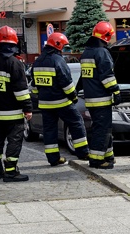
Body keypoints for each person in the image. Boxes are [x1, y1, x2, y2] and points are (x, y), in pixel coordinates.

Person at [0, 26, 31, 182]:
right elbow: (21, 90)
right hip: (13, 112)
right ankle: (10, 172)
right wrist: (28, 109)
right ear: (14, 43)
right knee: (14, 140)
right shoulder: (14, 64)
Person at [33, 32, 89, 165]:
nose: (64, 49)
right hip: (62, 102)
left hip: (45, 104)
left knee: (49, 130)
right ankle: (83, 152)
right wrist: (74, 97)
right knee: (76, 123)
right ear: (57, 45)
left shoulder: (38, 61)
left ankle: (53, 159)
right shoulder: (58, 61)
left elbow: (35, 87)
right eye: (63, 46)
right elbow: (67, 83)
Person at [81, 21, 120, 169]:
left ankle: (108, 156)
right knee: (102, 130)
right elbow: (107, 76)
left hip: (91, 98)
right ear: (107, 36)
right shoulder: (102, 52)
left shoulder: (87, 53)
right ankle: (97, 160)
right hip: (101, 99)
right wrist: (115, 91)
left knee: (104, 128)